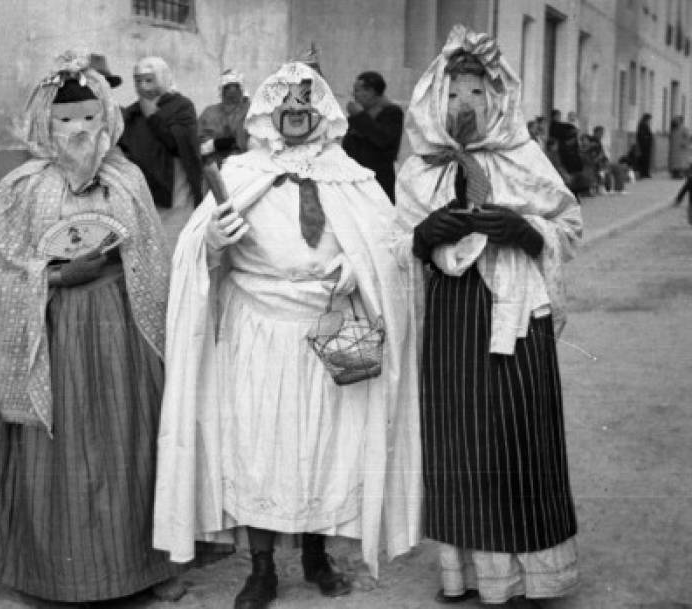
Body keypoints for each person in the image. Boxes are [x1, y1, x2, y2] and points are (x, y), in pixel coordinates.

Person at [152, 60, 422, 609]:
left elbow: (392, 248)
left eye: (306, 103)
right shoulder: (241, 173)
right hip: (259, 332)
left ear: (322, 111)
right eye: (286, 104)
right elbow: (194, 255)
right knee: (261, 450)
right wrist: (213, 242)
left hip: (331, 325)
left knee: (326, 445)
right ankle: (262, 569)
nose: (296, 113)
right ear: (268, 112)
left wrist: (358, 267)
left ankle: (316, 557)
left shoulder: (353, 177)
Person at [0, 51, 188, 603]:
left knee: (124, 442)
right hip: (53, 332)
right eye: (65, 119)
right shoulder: (20, 187)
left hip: (120, 330)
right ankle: (55, 577)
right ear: (45, 120)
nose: (79, 129)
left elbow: (151, 258)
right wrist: (60, 274)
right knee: (60, 449)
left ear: (105, 116)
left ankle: (132, 570)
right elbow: (3, 266)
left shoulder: (126, 179)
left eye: (89, 117)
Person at [396, 26, 582, 608]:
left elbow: (569, 225)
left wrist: (526, 231)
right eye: (454, 93)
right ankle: (468, 574)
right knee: (457, 441)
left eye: (477, 92)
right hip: (451, 317)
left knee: (517, 434)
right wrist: (424, 235)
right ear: (435, 99)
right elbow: (394, 243)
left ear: (497, 98)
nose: (465, 105)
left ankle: (527, 578)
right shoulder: (419, 169)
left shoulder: (524, 158)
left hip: (516, 316)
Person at [119, 56, 202, 209]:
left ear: (162, 77)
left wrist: (153, 117)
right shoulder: (133, 112)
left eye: (149, 80)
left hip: (175, 190)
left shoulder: (181, 106)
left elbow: (180, 144)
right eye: (138, 81)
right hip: (145, 188)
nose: (143, 86)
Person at [342, 70, 404, 203]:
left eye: (357, 90)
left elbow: (382, 139)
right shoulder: (360, 115)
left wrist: (360, 116)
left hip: (379, 181)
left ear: (371, 92)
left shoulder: (392, 112)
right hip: (355, 179)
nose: (354, 95)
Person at [198, 69, 251, 167]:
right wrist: (214, 144)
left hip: (245, 167)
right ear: (221, 90)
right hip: (215, 166)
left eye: (235, 87)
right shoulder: (210, 113)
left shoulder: (251, 112)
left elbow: (258, 142)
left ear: (242, 89)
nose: (231, 91)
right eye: (227, 87)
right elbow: (198, 146)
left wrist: (237, 142)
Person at [636, 113, 653, 179]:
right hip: (644, 146)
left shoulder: (644, 124)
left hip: (646, 146)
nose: (649, 121)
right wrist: (647, 138)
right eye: (649, 119)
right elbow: (641, 135)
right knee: (644, 159)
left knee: (646, 159)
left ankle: (645, 173)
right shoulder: (642, 125)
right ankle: (643, 173)